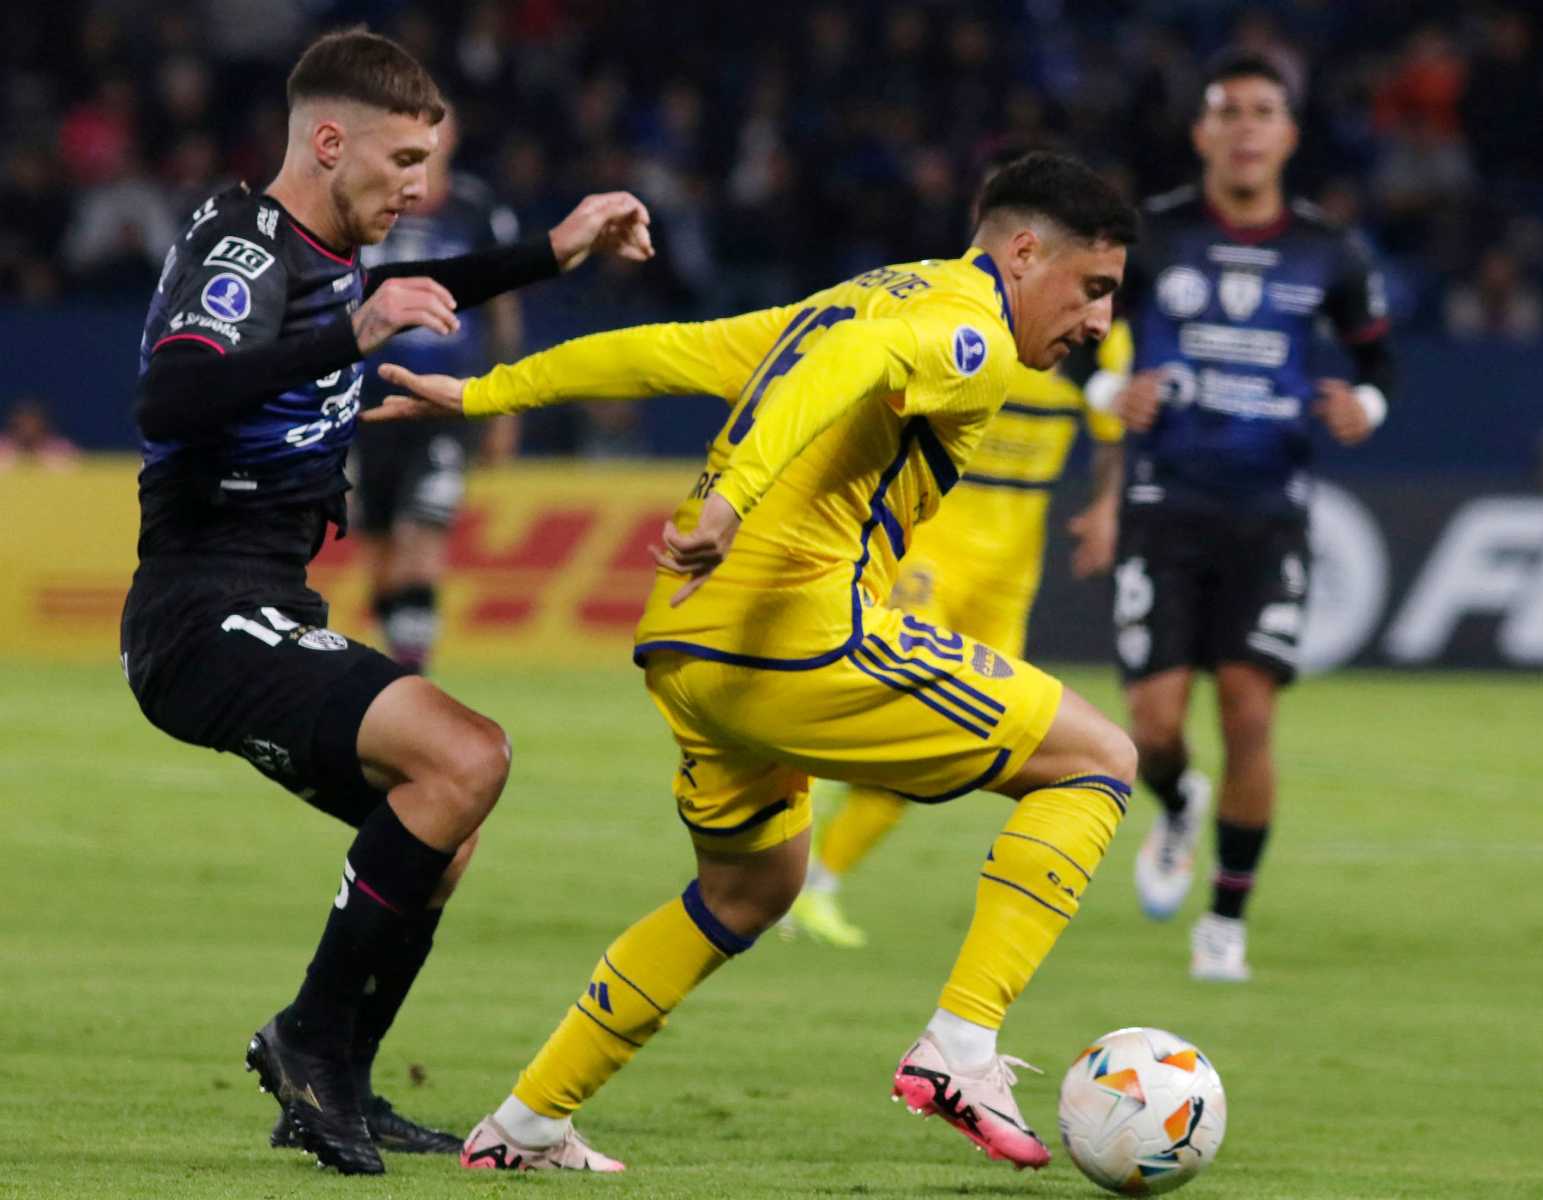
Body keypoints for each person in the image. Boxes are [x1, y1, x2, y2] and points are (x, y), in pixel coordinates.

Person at [369, 151, 1140, 1173]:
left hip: (690, 650)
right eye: (1093, 289)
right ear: (1026, 250)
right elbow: (841, 374)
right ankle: (962, 1043)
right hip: (795, 634)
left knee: (748, 892)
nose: (1095, 321)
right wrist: (732, 493)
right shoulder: (970, 330)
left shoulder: (869, 295)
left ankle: (525, 1124)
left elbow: (671, 352)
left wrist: (483, 397)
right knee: (1099, 760)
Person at [119, 29, 652, 1175]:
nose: (419, 185)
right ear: (328, 141)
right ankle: (305, 1039)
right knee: (469, 757)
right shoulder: (246, 246)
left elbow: (426, 287)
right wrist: (347, 335)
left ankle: (341, 1084)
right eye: (404, 157)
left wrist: (552, 255)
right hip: (197, 612)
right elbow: (172, 393)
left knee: (439, 828)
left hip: (268, 600)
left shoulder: (332, 250)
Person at [1083, 52, 1398, 982]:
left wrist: (1365, 408)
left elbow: (1380, 362)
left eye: (1266, 112)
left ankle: (1224, 922)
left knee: (1250, 710)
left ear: (1289, 135)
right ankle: (1178, 803)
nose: (1248, 127)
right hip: (1165, 500)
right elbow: (1068, 323)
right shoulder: (1153, 237)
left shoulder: (1329, 250)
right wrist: (1109, 386)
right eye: (1230, 112)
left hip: (1270, 508)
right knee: (1152, 725)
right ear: (1203, 134)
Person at [786, 348, 1126, 949]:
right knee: (899, 706)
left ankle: (816, 882)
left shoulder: (1100, 350)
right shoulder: (980, 336)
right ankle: (790, 826)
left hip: (1008, 579)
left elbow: (1113, 437)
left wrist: (1105, 507)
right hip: (926, 552)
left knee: (951, 746)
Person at [354, 107, 524, 672]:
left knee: (419, 534)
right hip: (368, 402)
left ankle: (410, 678)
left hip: (444, 402)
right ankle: (400, 656)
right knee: (378, 549)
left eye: (436, 128)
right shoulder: (365, 200)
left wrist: (506, 404)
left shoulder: (477, 211)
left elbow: (503, 308)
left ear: (451, 136)